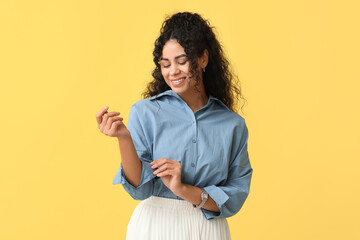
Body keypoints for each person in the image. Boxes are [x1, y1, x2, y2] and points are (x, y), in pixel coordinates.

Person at [96, 12, 253, 240]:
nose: (173, 72)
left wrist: (184, 190)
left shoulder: (232, 125)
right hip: (154, 226)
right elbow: (139, 189)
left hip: (208, 228)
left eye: (181, 61)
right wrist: (123, 138)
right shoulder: (145, 112)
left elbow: (236, 193)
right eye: (165, 64)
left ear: (203, 59)